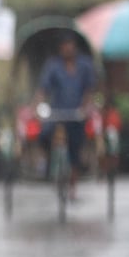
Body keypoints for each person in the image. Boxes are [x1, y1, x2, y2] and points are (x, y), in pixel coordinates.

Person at [35, 34, 96, 198]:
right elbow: (43, 89)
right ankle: (49, 163)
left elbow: (89, 90)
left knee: (75, 148)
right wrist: (39, 106)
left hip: (76, 113)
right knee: (44, 135)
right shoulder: (53, 66)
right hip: (57, 112)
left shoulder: (85, 65)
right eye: (64, 45)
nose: (68, 48)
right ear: (60, 48)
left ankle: (73, 185)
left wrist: (86, 107)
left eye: (70, 44)